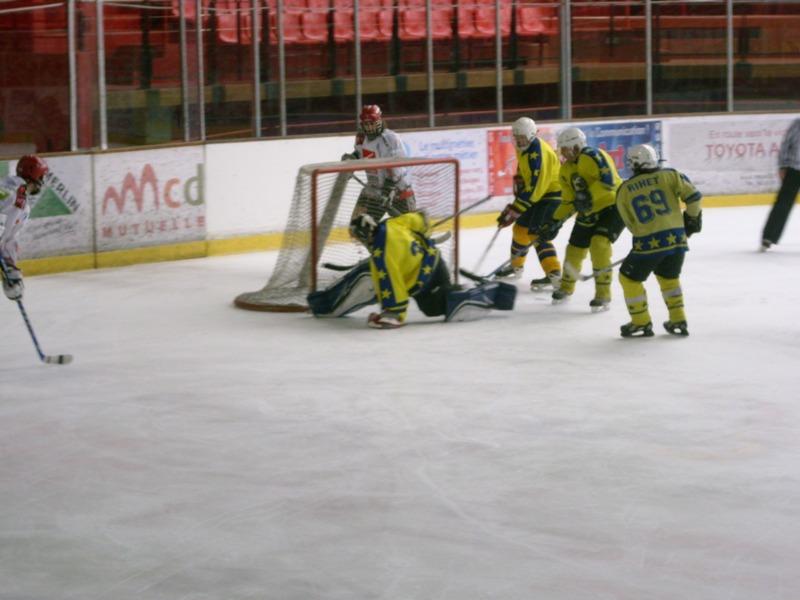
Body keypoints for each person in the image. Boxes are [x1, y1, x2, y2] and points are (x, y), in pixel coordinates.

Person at [307, 211, 516, 329]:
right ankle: (472, 292)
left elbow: (392, 284)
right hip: (435, 260)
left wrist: (393, 314)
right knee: (439, 300)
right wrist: (424, 233)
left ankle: (470, 295)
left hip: (422, 283)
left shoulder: (382, 256)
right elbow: (421, 219)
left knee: (433, 307)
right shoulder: (391, 224)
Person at [614, 144, 703, 337]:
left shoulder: (625, 189)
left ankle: (640, 322)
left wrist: (642, 242)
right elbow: (694, 197)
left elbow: (630, 223)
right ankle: (678, 320)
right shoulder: (671, 175)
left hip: (648, 245)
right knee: (669, 278)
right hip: (677, 241)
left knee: (628, 278)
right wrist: (692, 220)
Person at [539, 127, 625, 312]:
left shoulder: (593, 155)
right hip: (590, 211)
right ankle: (566, 287)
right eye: (562, 150)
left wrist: (587, 197)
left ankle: (603, 294)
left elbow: (608, 182)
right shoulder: (566, 170)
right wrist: (553, 221)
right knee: (574, 249)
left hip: (613, 207)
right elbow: (569, 201)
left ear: (577, 146)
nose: (563, 153)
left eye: (566, 149)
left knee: (599, 244)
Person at [493, 117, 562, 289]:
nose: (520, 141)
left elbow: (536, 187)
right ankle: (516, 267)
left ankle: (554, 274)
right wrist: (520, 179)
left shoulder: (538, 152)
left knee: (537, 233)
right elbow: (526, 174)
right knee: (520, 229)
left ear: (532, 135)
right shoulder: (523, 148)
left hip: (552, 195)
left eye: (523, 137)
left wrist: (516, 208)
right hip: (538, 195)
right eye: (517, 138)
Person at [342, 104, 416, 222]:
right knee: (358, 226)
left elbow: (398, 169)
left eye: (372, 123)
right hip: (374, 190)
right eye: (366, 124)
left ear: (379, 121)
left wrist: (388, 191)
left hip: (398, 191)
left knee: (410, 227)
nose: (369, 127)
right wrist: (351, 159)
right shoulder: (361, 137)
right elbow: (360, 154)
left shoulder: (391, 139)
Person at [0, 154, 49, 301]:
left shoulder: (24, 207)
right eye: (41, 177)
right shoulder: (9, 189)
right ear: (34, 175)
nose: (42, 181)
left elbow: (9, 239)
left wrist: (10, 270)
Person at [761, 117, 800, 251]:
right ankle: (769, 237)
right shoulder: (797, 123)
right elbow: (786, 144)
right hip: (795, 169)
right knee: (783, 203)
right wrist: (783, 165)